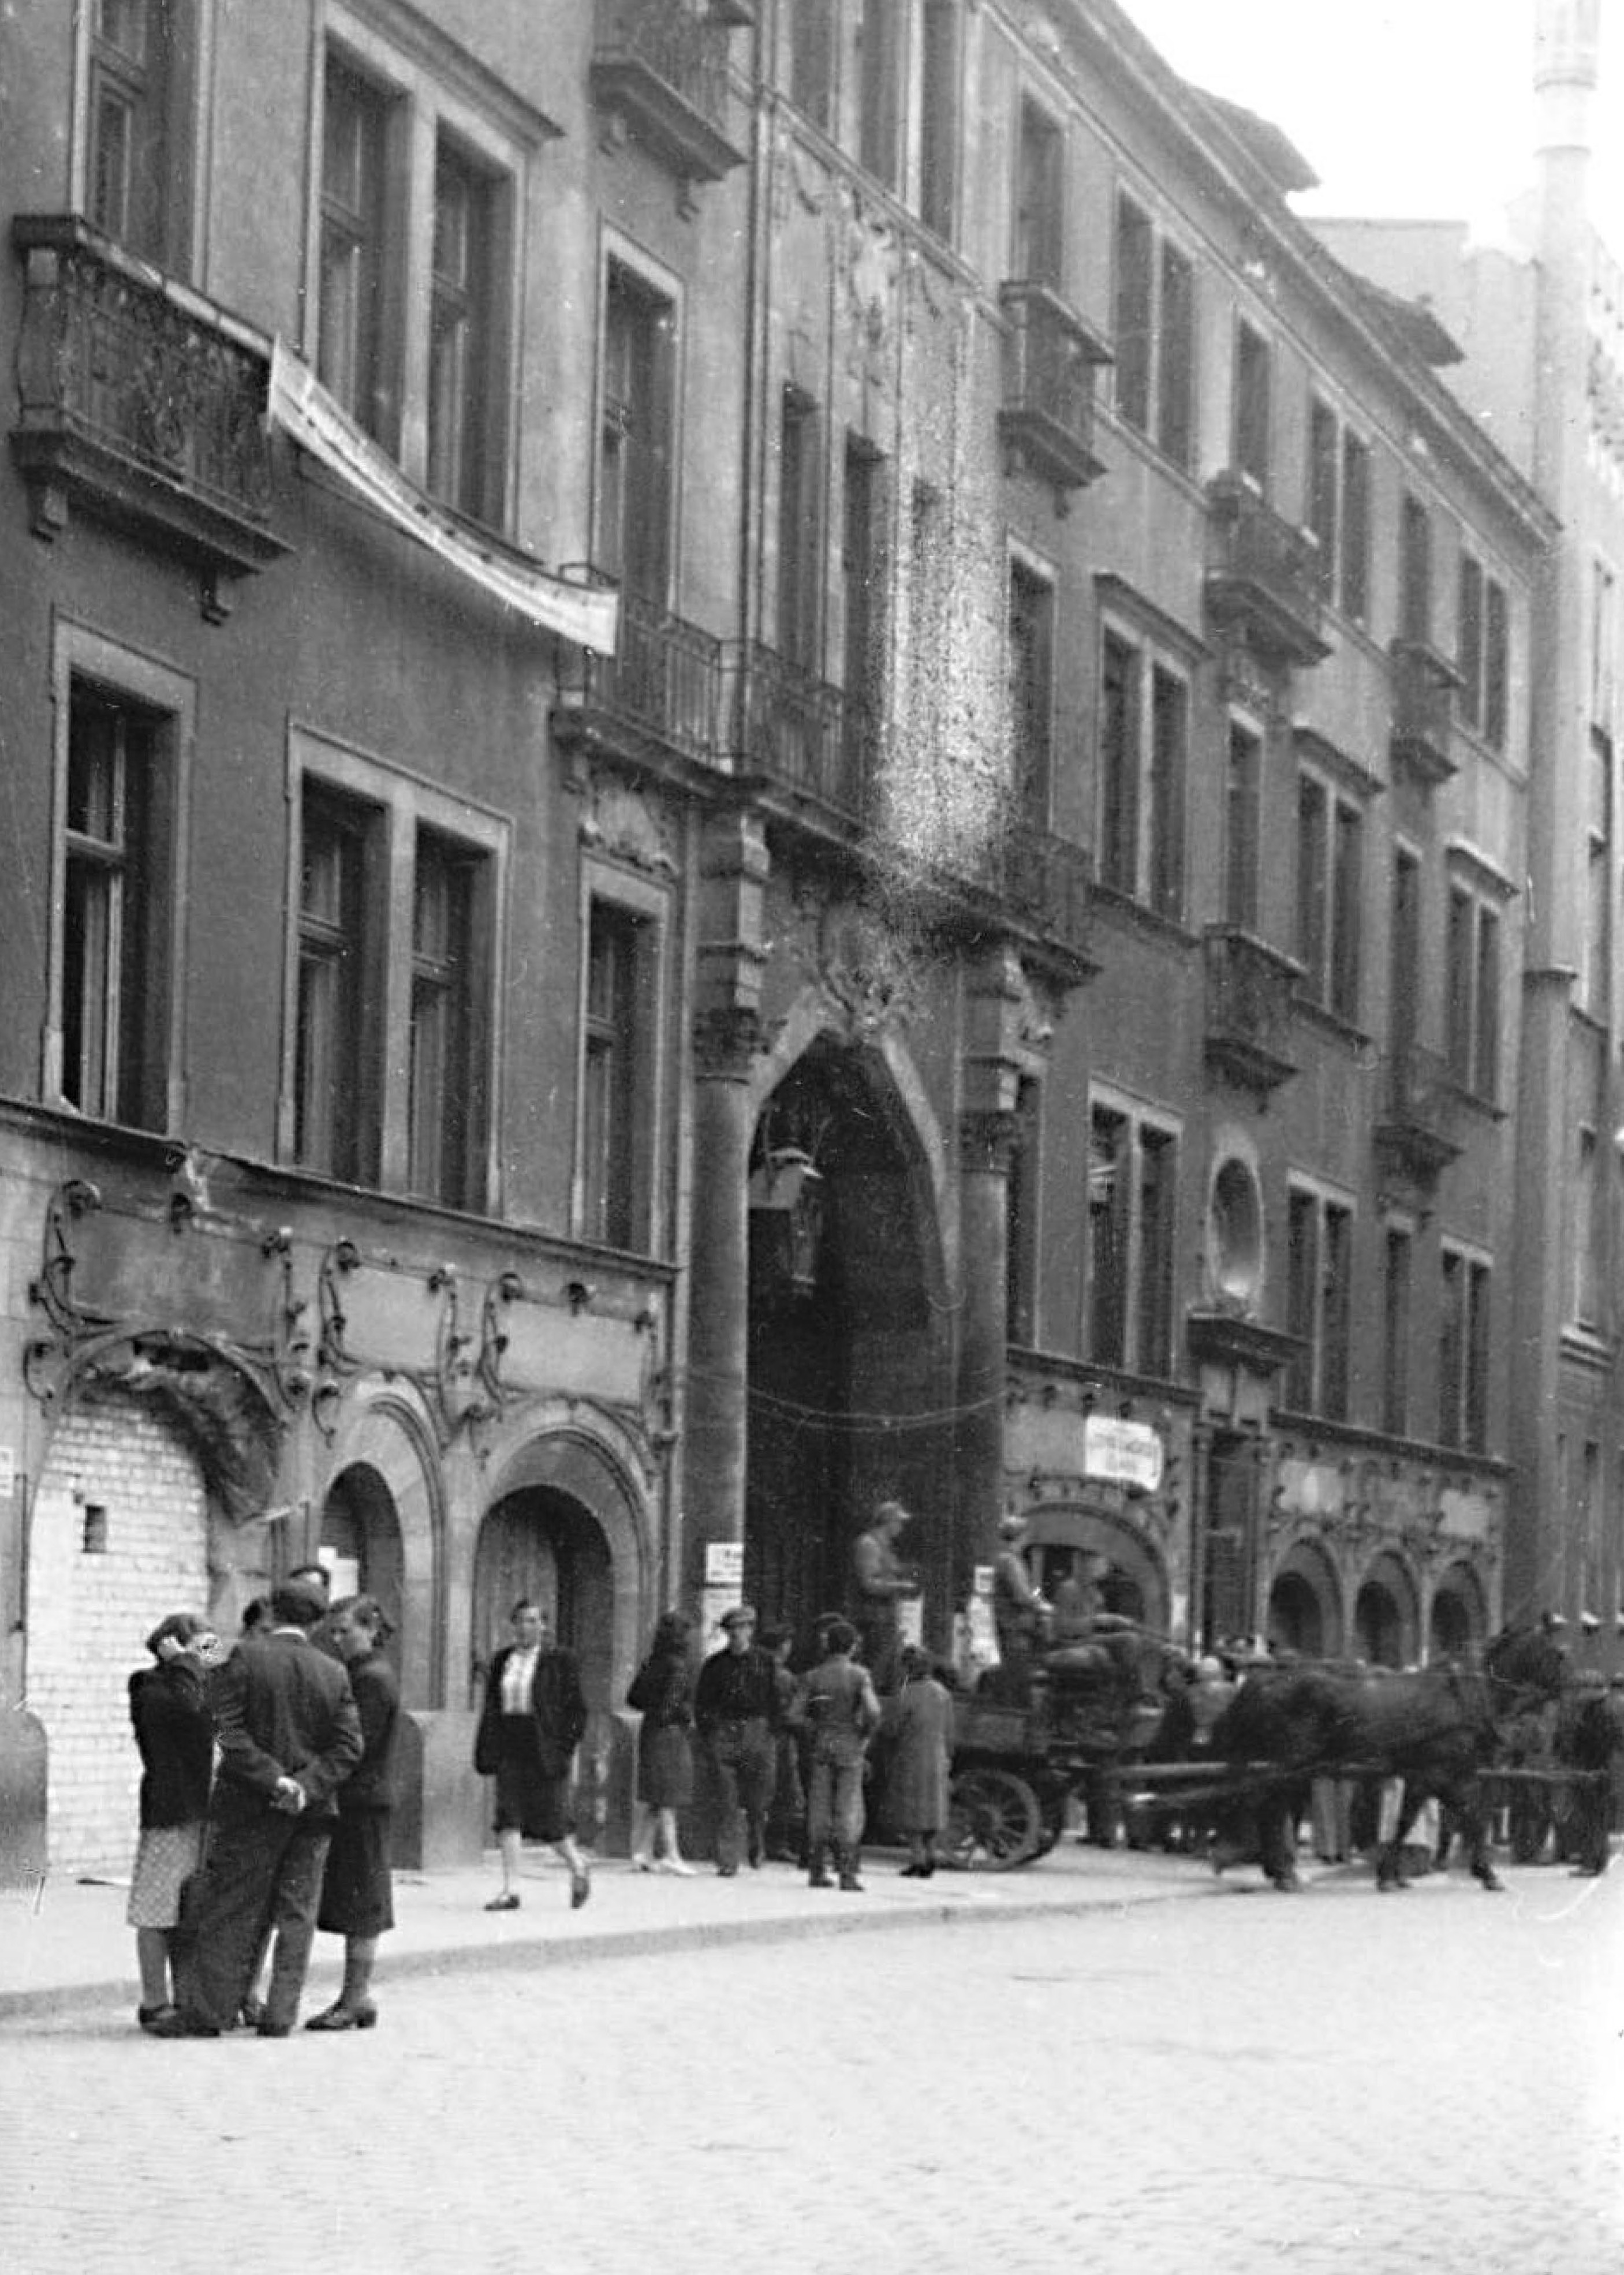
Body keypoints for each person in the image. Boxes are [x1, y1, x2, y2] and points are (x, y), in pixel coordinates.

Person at [151, 1578, 363, 2038]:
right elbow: (348, 1747)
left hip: (249, 1806)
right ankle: (280, 2014)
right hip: (312, 1813)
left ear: (270, 1610)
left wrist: (274, 1778)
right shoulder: (335, 1671)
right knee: (297, 1913)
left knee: (232, 1909)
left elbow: (226, 1729)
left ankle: (210, 2012)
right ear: (319, 1620)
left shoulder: (247, 1656)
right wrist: (305, 1785)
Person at [307, 1596, 401, 2030]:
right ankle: (355, 1995)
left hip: (361, 1801)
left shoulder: (372, 1678)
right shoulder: (362, 1672)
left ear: (370, 1628)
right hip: (358, 1798)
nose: (339, 1638)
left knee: (363, 1901)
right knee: (357, 1898)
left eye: (347, 1630)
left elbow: (355, 1743)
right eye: (335, 1631)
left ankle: (355, 1996)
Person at [126, 1611, 219, 2031]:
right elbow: (191, 1715)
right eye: (203, 1645)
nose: (209, 1655)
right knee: (157, 1904)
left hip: (208, 1808)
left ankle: (190, 1994)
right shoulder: (150, 1685)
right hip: (171, 1809)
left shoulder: (197, 1679)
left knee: (193, 1906)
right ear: (177, 1645)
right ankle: (154, 1999)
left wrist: (194, 1664)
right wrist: (184, 1663)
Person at [474, 1599, 592, 1911]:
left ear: (544, 1626)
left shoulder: (560, 1660)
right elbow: (492, 1705)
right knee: (508, 1817)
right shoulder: (503, 1660)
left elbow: (577, 1709)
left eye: (532, 1621)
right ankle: (511, 1890)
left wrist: (565, 1746)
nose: (525, 1628)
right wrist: (489, 1746)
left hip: (545, 1746)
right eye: (520, 1621)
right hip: (511, 1743)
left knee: (552, 1822)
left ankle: (578, 1865)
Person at [789, 1617, 881, 1891]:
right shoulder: (859, 1675)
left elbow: (794, 1715)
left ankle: (817, 1870)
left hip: (821, 1744)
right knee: (847, 1807)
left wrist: (815, 1728)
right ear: (852, 1647)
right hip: (850, 1745)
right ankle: (847, 1873)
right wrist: (864, 1733)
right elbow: (874, 1711)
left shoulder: (812, 1676)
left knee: (818, 1807)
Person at [693, 1604, 779, 1875]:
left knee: (757, 1797)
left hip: (757, 1729)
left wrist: (770, 1732)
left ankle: (756, 1840)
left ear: (750, 1631)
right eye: (731, 1630)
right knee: (726, 1798)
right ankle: (728, 1859)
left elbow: (776, 1698)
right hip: (725, 1731)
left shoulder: (765, 1662)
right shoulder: (715, 1665)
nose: (736, 1635)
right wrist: (711, 1732)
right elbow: (703, 1702)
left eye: (741, 1629)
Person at [626, 1611, 697, 1876]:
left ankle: (642, 1852)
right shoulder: (678, 1666)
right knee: (669, 1795)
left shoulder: (651, 1663)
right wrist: (684, 1714)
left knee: (656, 1796)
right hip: (670, 1733)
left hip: (650, 1729)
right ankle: (672, 1854)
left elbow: (633, 1698)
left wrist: (654, 1706)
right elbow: (673, 1706)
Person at [883, 1645, 953, 1877]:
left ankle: (918, 1859)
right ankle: (931, 1855)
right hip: (938, 1756)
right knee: (933, 1811)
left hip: (912, 1757)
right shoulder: (942, 1692)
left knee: (912, 1813)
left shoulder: (906, 1693)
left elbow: (894, 1728)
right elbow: (950, 1729)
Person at [850, 1501, 921, 1693]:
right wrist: (901, 1587)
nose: (901, 1527)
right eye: (899, 1522)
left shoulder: (884, 1546)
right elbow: (869, 1584)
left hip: (886, 1618)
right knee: (875, 1670)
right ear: (888, 1521)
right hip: (874, 1618)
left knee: (887, 1671)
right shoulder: (869, 1545)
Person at [759, 1623, 805, 1863]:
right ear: (782, 1647)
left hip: (759, 1734)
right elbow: (791, 1712)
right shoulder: (784, 1676)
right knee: (784, 1790)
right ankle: (778, 1843)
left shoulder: (756, 1669)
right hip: (781, 1738)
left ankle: (761, 1843)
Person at [991, 1511, 1050, 1684]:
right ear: (1020, 1537)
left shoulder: (1006, 1559)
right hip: (1014, 1627)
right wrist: (1044, 1607)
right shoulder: (1011, 1562)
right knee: (1018, 1672)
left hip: (1009, 1625)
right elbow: (1022, 1596)